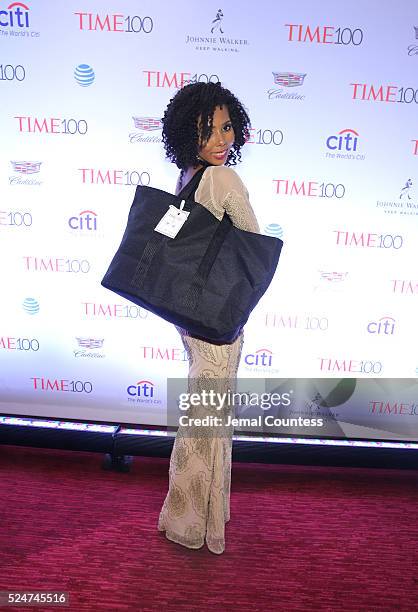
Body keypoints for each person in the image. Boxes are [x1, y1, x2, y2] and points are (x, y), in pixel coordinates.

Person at [157, 81, 260, 554]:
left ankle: (190, 514)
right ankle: (196, 521)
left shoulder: (187, 177)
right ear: (188, 134)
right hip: (218, 317)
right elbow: (253, 244)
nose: (222, 139)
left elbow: (169, 241)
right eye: (207, 130)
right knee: (208, 419)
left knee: (202, 415)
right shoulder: (224, 181)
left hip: (190, 316)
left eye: (226, 127)